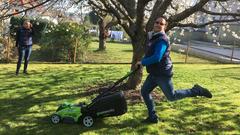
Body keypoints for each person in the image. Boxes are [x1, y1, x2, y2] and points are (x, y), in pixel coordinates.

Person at [137, 17, 212, 123]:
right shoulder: (153, 37)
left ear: (165, 26)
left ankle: (196, 90)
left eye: (161, 24)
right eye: (156, 22)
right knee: (144, 92)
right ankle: (152, 117)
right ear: (154, 23)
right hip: (154, 72)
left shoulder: (162, 39)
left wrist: (143, 62)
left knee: (172, 96)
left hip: (162, 73)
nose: (158, 24)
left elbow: (157, 57)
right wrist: (143, 61)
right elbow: (150, 53)